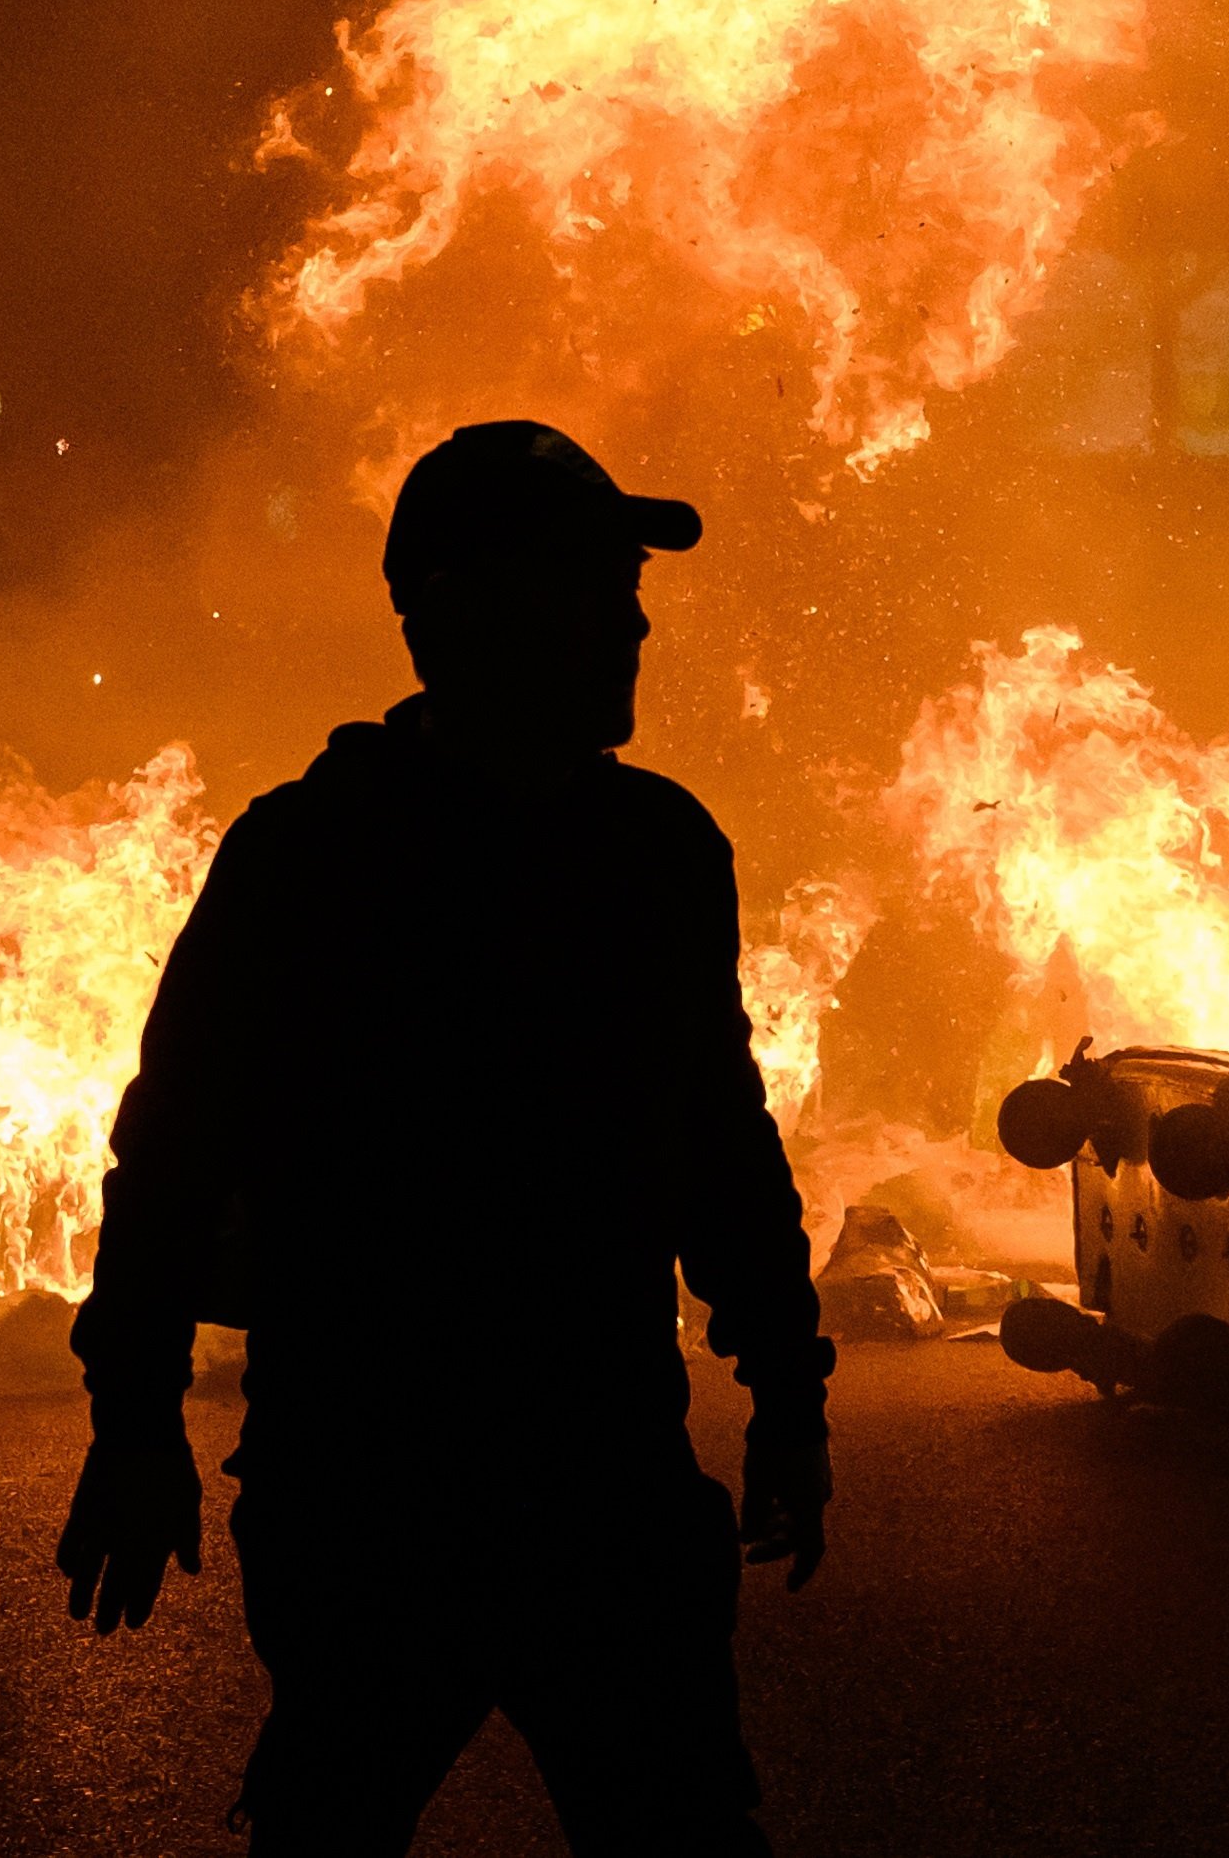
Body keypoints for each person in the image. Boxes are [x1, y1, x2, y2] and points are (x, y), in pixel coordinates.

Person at [54, 420, 833, 1856]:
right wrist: (133, 1416)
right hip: (385, 1482)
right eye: (596, 582)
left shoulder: (657, 847)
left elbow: (718, 1135)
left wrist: (789, 1380)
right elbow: (171, 1151)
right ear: (470, 611)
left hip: (565, 1474)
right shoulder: (316, 854)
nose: (634, 618)